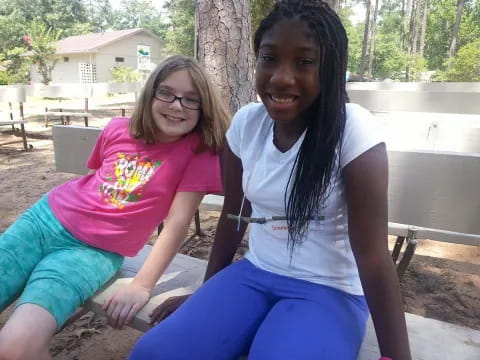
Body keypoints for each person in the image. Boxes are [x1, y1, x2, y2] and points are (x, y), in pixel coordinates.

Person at [129, 1, 412, 360]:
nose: (281, 77)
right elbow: (233, 218)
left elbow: (373, 257)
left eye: (304, 62)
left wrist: (394, 356)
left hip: (328, 290)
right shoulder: (247, 124)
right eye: (269, 59)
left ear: (330, 68)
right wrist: (205, 293)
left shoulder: (351, 130)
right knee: (155, 353)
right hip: (253, 274)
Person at [0, 55, 230, 360]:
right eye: (166, 93)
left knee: (15, 347)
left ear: (204, 108)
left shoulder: (199, 152)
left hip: (91, 254)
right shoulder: (117, 128)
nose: (177, 105)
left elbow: (177, 222)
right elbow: (95, 182)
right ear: (150, 94)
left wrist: (141, 285)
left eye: (191, 99)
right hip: (43, 220)